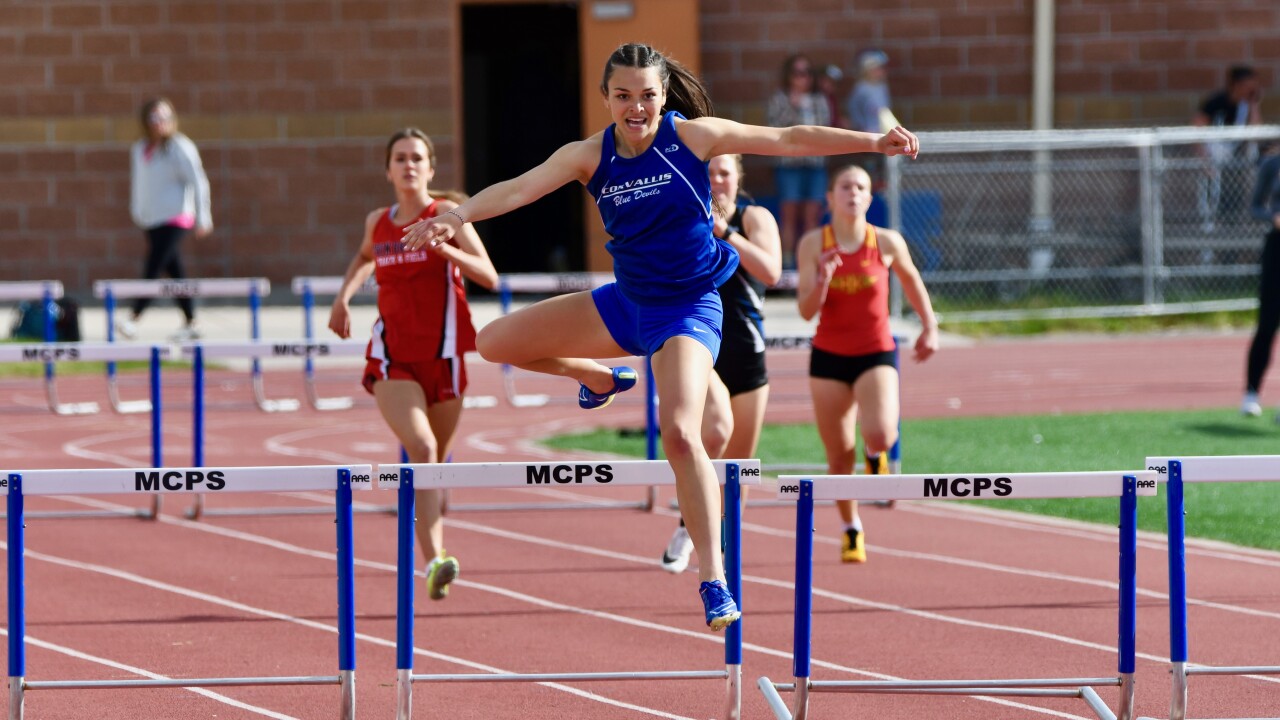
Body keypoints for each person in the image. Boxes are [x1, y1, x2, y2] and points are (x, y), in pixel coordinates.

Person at [401, 43, 918, 630]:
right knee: (493, 340)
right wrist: (457, 216)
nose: (636, 107)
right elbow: (518, 188)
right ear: (607, 99)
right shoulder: (588, 156)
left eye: (647, 95)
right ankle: (595, 376)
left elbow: (788, 138)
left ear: (663, 94)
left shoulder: (692, 138)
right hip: (627, 304)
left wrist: (874, 143)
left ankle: (714, 580)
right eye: (623, 96)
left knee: (679, 431)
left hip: (688, 310)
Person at [328, 128, 498, 601]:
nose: (408, 166)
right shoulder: (377, 222)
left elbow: (488, 275)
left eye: (416, 158)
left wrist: (440, 243)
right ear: (388, 170)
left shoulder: (448, 214)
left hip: (444, 357)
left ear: (431, 168)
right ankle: (436, 560)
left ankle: (430, 545)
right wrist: (343, 297)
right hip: (393, 357)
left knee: (434, 465)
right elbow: (365, 256)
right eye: (399, 158)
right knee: (422, 450)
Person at [796, 164, 937, 564]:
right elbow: (806, 312)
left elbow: (911, 281)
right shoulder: (813, 244)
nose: (853, 193)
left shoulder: (886, 242)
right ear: (830, 197)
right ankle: (851, 527)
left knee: (879, 433)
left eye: (860, 187)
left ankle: (876, 454)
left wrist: (930, 327)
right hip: (828, 358)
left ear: (869, 198)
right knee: (839, 457)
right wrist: (823, 278)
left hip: (875, 351)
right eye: (845, 186)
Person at [660, 154, 782, 574]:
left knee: (738, 468)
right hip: (696, 344)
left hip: (746, 350)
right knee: (712, 433)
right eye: (709, 173)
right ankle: (686, 526)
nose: (716, 180)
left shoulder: (755, 217)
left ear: (737, 178)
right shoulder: (683, 213)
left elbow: (771, 272)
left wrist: (725, 230)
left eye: (724, 173)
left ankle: (729, 554)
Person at [120, 98, 212, 342]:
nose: (159, 123)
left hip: (177, 217)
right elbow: (139, 184)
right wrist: (137, 211)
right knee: (174, 270)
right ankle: (192, 320)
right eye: (153, 118)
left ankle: (134, 317)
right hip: (152, 219)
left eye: (164, 117)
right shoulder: (140, 148)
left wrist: (203, 216)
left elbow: (198, 180)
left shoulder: (180, 147)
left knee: (153, 266)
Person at [766, 54, 832, 268]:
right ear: (789, 76)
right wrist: (792, 107)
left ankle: (810, 264)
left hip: (815, 165)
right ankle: (787, 265)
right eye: (797, 73)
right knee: (789, 216)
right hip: (788, 165)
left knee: (812, 216)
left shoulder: (819, 99)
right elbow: (773, 128)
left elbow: (825, 127)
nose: (802, 78)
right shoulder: (779, 99)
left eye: (807, 73)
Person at [1194, 65, 1264, 231]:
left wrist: (1253, 104)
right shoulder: (1217, 103)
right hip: (1214, 163)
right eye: (1247, 87)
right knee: (1211, 204)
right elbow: (1195, 131)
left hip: (1235, 166)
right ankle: (1209, 246)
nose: (1250, 91)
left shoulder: (1246, 107)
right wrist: (1205, 161)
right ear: (1235, 85)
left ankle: (1232, 237)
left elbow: (1256, 133)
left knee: (1234, 204)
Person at [1241, 147, 1280, 419]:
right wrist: (1273, 217)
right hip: (1277, 249)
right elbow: (1256, 206)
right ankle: (1251, 392)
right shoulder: (1272, 164)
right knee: (1267, 323)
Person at [845, 49, 893, 191]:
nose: (881, 71)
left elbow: (885, 110)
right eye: (878, 68)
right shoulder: (861, 89)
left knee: (883, 166)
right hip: (867, 134)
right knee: (869, 164)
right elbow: (854, 109)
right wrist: (860, 127)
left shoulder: (882, 88)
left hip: (882, 132)